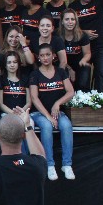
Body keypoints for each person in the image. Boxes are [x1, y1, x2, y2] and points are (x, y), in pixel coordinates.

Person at [29, 43, 75, 181]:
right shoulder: (35, 74)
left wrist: (57, 103)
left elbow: (71, 92)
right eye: (42, 55)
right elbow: (34, 98)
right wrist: (48, 116)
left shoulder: (60, 72)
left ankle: (67, 165)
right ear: (38, 57)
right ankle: (49, 164)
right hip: (39, 113)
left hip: (57, 112)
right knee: (47, 126)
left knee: (66, 126)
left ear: (53, 56)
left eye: (48, 55)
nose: (45, 58)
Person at [58, 8, 92, 91]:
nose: (70, 22)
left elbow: (87, 53)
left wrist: (83, 60)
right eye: (67, 19)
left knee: (84, 74)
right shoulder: (56, 35)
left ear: (76, 21)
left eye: (72, 19)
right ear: (62, 21)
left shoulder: (82, 35)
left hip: (79, 65)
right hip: (63, 64)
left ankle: (83, 96)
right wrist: (69, 69)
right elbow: (56, 57)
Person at [0, 51, 31, 116]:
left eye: (15, 62)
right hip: (6, 114)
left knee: (29, 122)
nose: (12, 65)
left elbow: (29, 102)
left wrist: (20, 112)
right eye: (9, 62)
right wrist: (13, 113)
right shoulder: (1, 79)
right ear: (5, 65)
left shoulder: (25, 79)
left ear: (18, 64)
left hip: (23, 113)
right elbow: (0, 103)